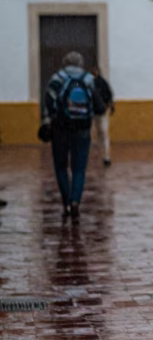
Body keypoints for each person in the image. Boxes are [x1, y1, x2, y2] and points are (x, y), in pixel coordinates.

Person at [44, 51, 100, 220]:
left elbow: (48, 102)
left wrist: (47, 121)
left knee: (61, 167)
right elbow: (97, 104)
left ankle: (66, 204)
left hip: (60, 128)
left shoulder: (57, 78)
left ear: (64, 63)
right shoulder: (88, 79)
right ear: (80, 64)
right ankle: (75, 201)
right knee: (79, 168)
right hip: (82, 128)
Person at [91, 66, 115, 167]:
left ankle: (104, 155)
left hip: (95, 112)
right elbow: (110, 95)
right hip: (101, 111)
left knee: (101, 133)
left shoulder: (91, 83)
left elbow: (109, 95)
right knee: (103, 133)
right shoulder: (102, 82)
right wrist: (111, 106)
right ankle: (105, 156)